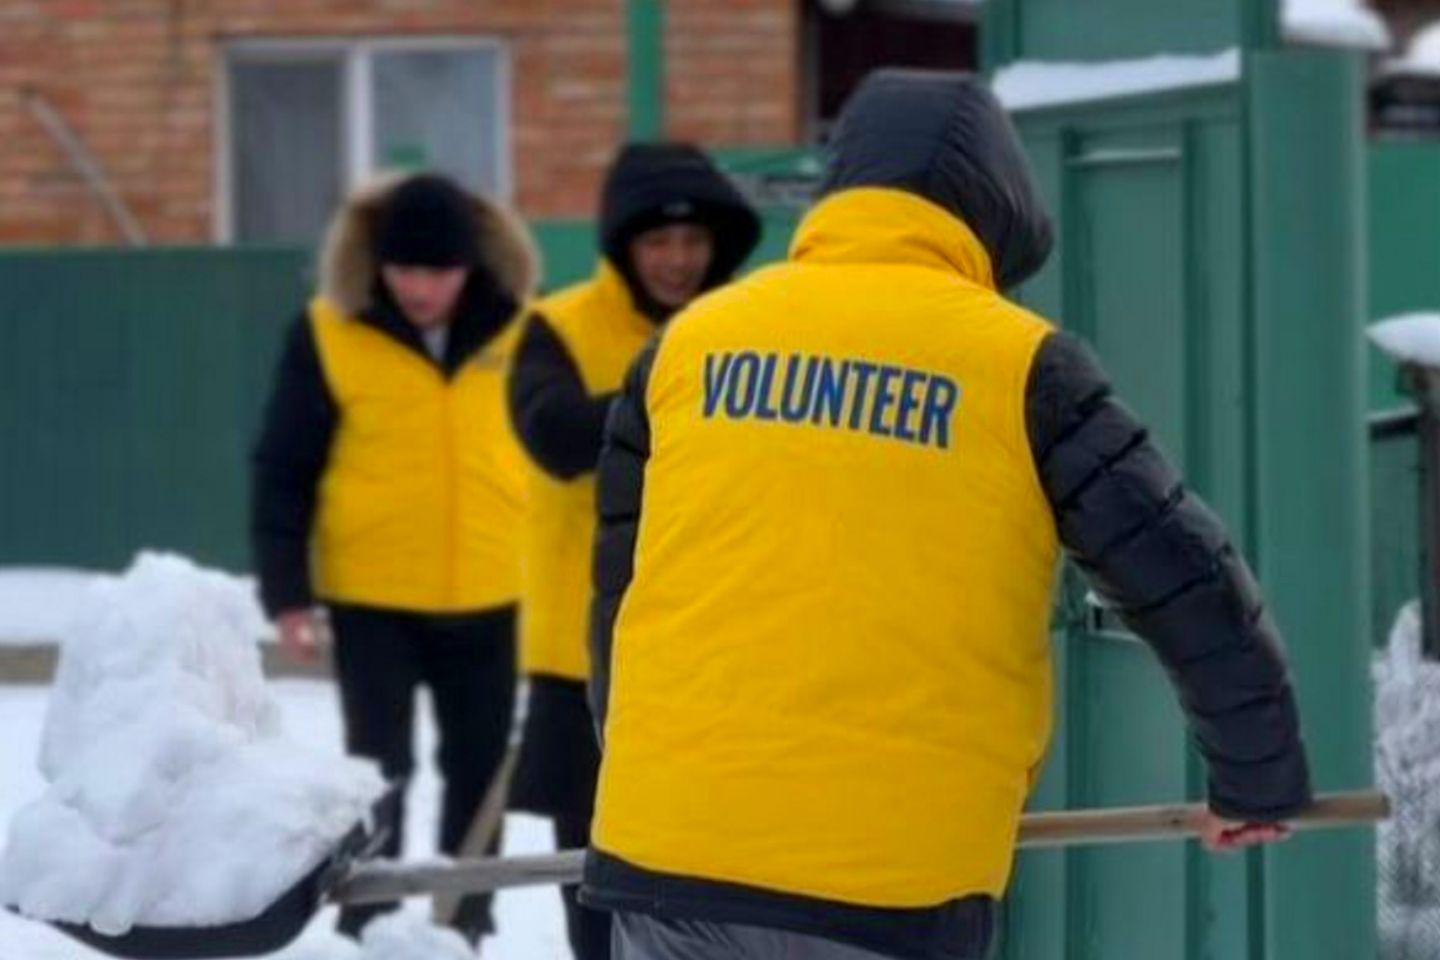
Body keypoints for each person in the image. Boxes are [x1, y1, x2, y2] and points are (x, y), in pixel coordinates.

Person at [582, 71, 1313, 960]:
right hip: (886, 887)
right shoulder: (1021, 367)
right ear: (994, 215)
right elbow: (1186, 579)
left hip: (668, 865)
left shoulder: (687, 347)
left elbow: (622, 599)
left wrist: (657, 777)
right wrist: (1256, 776)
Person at [250, 172, 537, 947]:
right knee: (377, 770)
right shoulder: (329, 329)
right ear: (376, 264)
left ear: (472, 265)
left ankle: (465, 919)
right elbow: (284, 464)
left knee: (479, 773)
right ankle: (368, 920)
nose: (419, 287)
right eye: (403, 269)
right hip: (372, 595)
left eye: (438, 270)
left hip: (491, 590)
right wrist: (288, 594)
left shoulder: (522, 331)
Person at [506, 143, 760, 960]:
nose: (679, 261)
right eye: (658, 243)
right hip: (584, 658)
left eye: (693, 243)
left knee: (714, 861)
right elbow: (551, 434)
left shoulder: (753, 322)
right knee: (592, 870)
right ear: (623, 245)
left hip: (718, 641)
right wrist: (683, 394)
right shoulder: (559, 326)